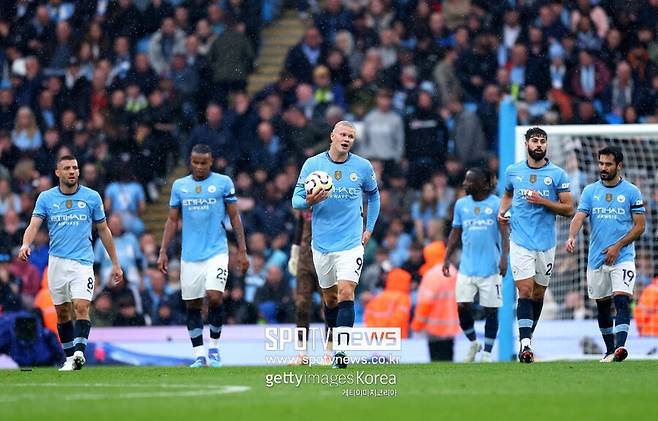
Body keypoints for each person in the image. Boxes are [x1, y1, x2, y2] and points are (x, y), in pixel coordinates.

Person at [19, 155, 123, 371]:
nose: (72, 172)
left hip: (83, 263)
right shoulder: (46, 198)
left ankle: (78, 353)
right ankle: (70, 359)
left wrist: (115, 263)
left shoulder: (92, 197)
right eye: (67, 168)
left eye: (75, 168)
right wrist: (25, 244)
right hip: (56, 263)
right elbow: (34, 224)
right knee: (63, 313)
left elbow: (103, 230)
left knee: (82, 306)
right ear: (58, 173)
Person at [292, 120, 380, 368]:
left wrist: (369, 228)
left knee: (346, 292)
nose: (346, 139)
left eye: (351, 137)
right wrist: (309, 200)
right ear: (332, 136)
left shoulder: (362, 167)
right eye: (342, 134)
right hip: (321, 245)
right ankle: (331, 346)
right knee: (330, 299)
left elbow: (374, 196)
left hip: (351, 244)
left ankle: (340, 353)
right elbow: (295, 200)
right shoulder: (313, 165)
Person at [158, 144, 249, 368]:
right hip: (189, 255)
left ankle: (215, 348)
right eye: (195, 162)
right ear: (191, 162)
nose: (199, 166)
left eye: (203, 162)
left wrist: (243, 250)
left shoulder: (223, 183)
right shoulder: (180, 186)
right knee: (193, 305)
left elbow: (235, 217)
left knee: (215, 296)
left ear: (211, 162)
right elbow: (172, 220)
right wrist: (163, 251)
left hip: (216, 252)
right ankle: (199, 355)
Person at [498, 127, 574, 363]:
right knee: (525, 290)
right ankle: (526, 344)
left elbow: (568, 208)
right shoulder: (513, 171)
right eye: (535, 141)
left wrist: (542, 200)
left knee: (539, 295)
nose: (539, 145)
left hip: (546, 244)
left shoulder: (558, 174)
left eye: (543, 141)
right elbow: (508, 194)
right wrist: (503, 210)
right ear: (526, 144)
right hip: (520, 241)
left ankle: (527, 336)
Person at [566, 146, 645, 362]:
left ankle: (620, 347)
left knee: (621, 300)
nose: (603, 167)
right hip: (596, 259)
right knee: (602, 305)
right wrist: (572, 236)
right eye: (601, 163)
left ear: (619, 166)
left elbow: (639, 227)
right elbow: (579, 217)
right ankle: (610, 351)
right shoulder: (590, 191)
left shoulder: (631, 192)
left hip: (623, 257)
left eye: (608, 164)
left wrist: (618, 246)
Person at [443, 167, 509, 363]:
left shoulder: (497, 204)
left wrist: (504, 258)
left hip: (491, 268)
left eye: (468, 181)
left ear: (481, 184)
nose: (464, 184)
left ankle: (487, 354)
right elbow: (455, 232)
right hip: (467, 267)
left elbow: (505, 233)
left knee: (491, 310)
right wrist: (446, 257)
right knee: (462, 306)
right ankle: (473, 343)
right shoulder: (461, 205)